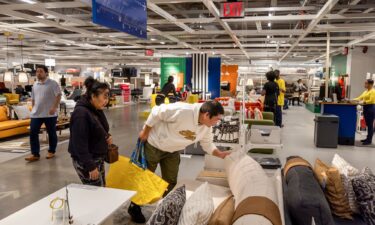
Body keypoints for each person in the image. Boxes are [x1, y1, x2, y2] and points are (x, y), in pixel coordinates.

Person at [128, 101, 231, 223]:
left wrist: (220, 154)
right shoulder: (183, 110)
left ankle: (167, 209)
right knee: (146, 178)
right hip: (154, 145)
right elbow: (156, 111)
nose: (217, 122)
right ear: (206, 115)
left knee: (171, 181)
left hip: (173, 151)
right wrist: (145, 132)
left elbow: (207, 144)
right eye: (216, 119)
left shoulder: (206, 127)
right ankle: (134, 206)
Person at [68, 77, 112, 186]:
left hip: (97, 158)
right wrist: (91, 167)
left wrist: (106, 136)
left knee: (101, 189)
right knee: (96, 194)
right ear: (93, 96)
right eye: (104, 97)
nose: (106, 101)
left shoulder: (95, 108)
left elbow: (101, 127)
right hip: (87, 162)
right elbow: (79, 144)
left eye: (108, 97)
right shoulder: (81, 114)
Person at [25, 65, 61, 162]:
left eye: (41, 71)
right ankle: (35, 154)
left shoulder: (53, 83)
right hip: (36, 114)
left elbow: (58, 95)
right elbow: (33, 98)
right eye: (37, 71)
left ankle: (51, 151)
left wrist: (54, 107)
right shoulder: (35, 85)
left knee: (51, 133)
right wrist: (33, 109)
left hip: (50, 114)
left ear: (46, 73)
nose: (38, 73)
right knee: (33, 133)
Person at [354, 79, 375, 145]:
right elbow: (360, 97)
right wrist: (352, 100)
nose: (364, 84)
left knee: (370, 125)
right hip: (366, 108)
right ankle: (368, 138)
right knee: (368, 124)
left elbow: (371, 100)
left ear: (370, 84)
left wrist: (363, 102)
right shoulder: (366, 91)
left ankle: (369, 140)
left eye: (366, 83)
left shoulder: (373, 91)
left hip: (371, 108)